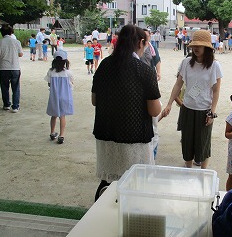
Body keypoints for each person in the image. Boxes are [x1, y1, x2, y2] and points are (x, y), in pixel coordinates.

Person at [91, 24, 161, 201]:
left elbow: (94, 100)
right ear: (140, 42)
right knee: (135, 185)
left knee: (107, 182)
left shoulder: (105, 65)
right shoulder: (144, 70)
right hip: (134, 137)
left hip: (106, 134)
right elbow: (154, 110)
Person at [162, 30, 222, 169]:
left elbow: (216, 90)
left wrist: (212, 112)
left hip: (204, 110)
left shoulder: (214, 66)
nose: (195, 48)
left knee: (203, 144)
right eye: (194, 45)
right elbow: (178, 84)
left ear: (207, 48)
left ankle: (203, 172)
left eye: (199, 46)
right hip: (187, 108)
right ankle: (188, 169)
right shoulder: (186, 63)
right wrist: (170, 103)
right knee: (187, 142)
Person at [44, 50, 74, 144]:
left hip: (54, 97)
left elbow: (49, 83)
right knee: (62, 116)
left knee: (54, 115)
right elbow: (71, 83)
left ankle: (52, 133)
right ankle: (61, 135)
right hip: (65, 97)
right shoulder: (68, 73)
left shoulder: (51, 72)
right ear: (65, 61)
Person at [141, 28, 162, 159]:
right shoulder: (135, 50)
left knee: (153, 120)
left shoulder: (152, 48)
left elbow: (157, 60)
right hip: (141, 81)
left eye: (147, 36)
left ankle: (152, 154)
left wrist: (158, 73)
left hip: (150, 80)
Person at [0, 25, 23, 112]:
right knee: (16, 87)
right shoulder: (16, 42)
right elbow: (21, 54)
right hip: (15, 67)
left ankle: (6, 104)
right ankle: (15, 106)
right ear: (11, 32)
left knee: (4, 87)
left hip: (3, 67)